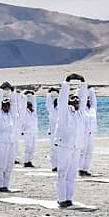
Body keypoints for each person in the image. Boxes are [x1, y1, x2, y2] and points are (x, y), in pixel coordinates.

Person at [53, 74, 88, 207]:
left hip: (76, 147)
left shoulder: (80, 113)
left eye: (77, 101)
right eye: (74, 101)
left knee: (72, 174)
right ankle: (61, 199)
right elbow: (62, 99)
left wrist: (83, 83)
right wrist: (67, 82)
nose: (77, 103)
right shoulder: (64, 112)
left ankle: (69, 198)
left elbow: (84, 98)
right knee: (62, 173)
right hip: (64, 146)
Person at [0, 82, 20, 192]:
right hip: (1, 142)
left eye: (8, 105)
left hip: (11, 142)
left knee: (9, 165)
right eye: (4, 105)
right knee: (0, 165)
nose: (7, 106)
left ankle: (6, 185)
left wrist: (12, 91)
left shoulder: (12, 115)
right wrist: (1, 90)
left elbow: (14, 104)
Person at [79, 87, 98, 176]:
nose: (88, 100)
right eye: (86, 99)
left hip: (91, 133)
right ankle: (79, 169)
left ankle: (85, 169)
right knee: (82, 151)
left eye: (88, 99)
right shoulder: (81, 109)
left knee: (89, 152)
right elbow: (79, 97)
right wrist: (82, 89)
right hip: (83, 133)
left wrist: (91, 91)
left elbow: (94, 100)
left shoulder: (93, 109)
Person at [20, 90, 39, 168]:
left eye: (31, 105)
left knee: (33, 148)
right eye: (29, 105)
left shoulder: (33, 112)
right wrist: (25, 95)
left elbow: (35, 104)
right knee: (28, 147)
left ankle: (30, 161)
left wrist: (33, 96)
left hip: (34, 132)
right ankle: (26, 161)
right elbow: (23, 104)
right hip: (27, 132)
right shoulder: (24, 112)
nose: (31, 106)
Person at [45, 87, 60, 171]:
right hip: (53, 132)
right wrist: (49, 93)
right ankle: (54, 166)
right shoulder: (52, 110)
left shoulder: (63, 111)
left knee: (61, 149)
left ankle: (60, 165)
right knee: (54, 149)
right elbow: (48, 103)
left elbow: (64, 100)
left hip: (61, 133)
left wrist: (59, 93)